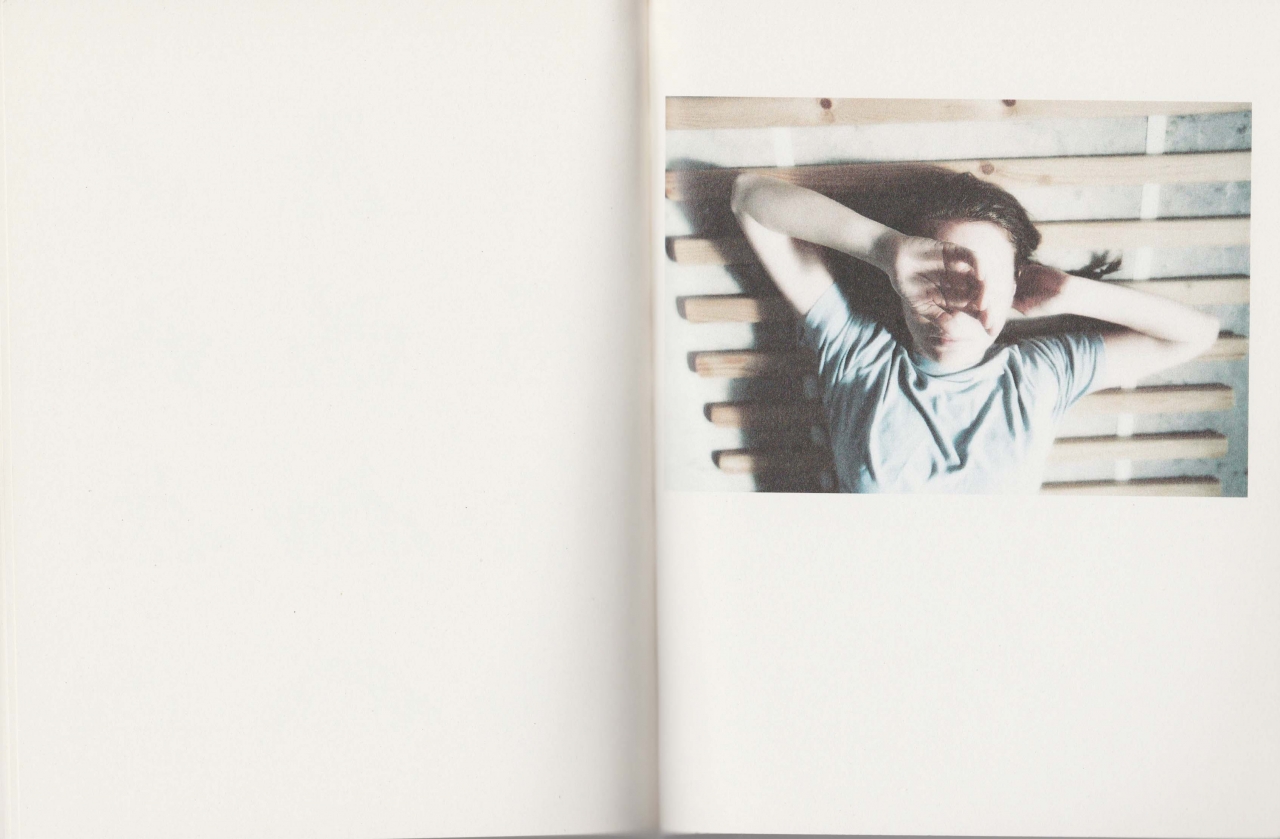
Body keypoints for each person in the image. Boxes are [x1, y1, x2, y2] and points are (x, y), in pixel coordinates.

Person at [728, 170, 1221, 494]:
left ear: (1015, 286)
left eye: (981, 283)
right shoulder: (858, 353)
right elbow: (748, 195)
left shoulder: (1040, 376)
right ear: (902, 278)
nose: (953, 310)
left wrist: (1072, 293)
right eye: (936, 276)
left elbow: (1197, 335)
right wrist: (884, 247)